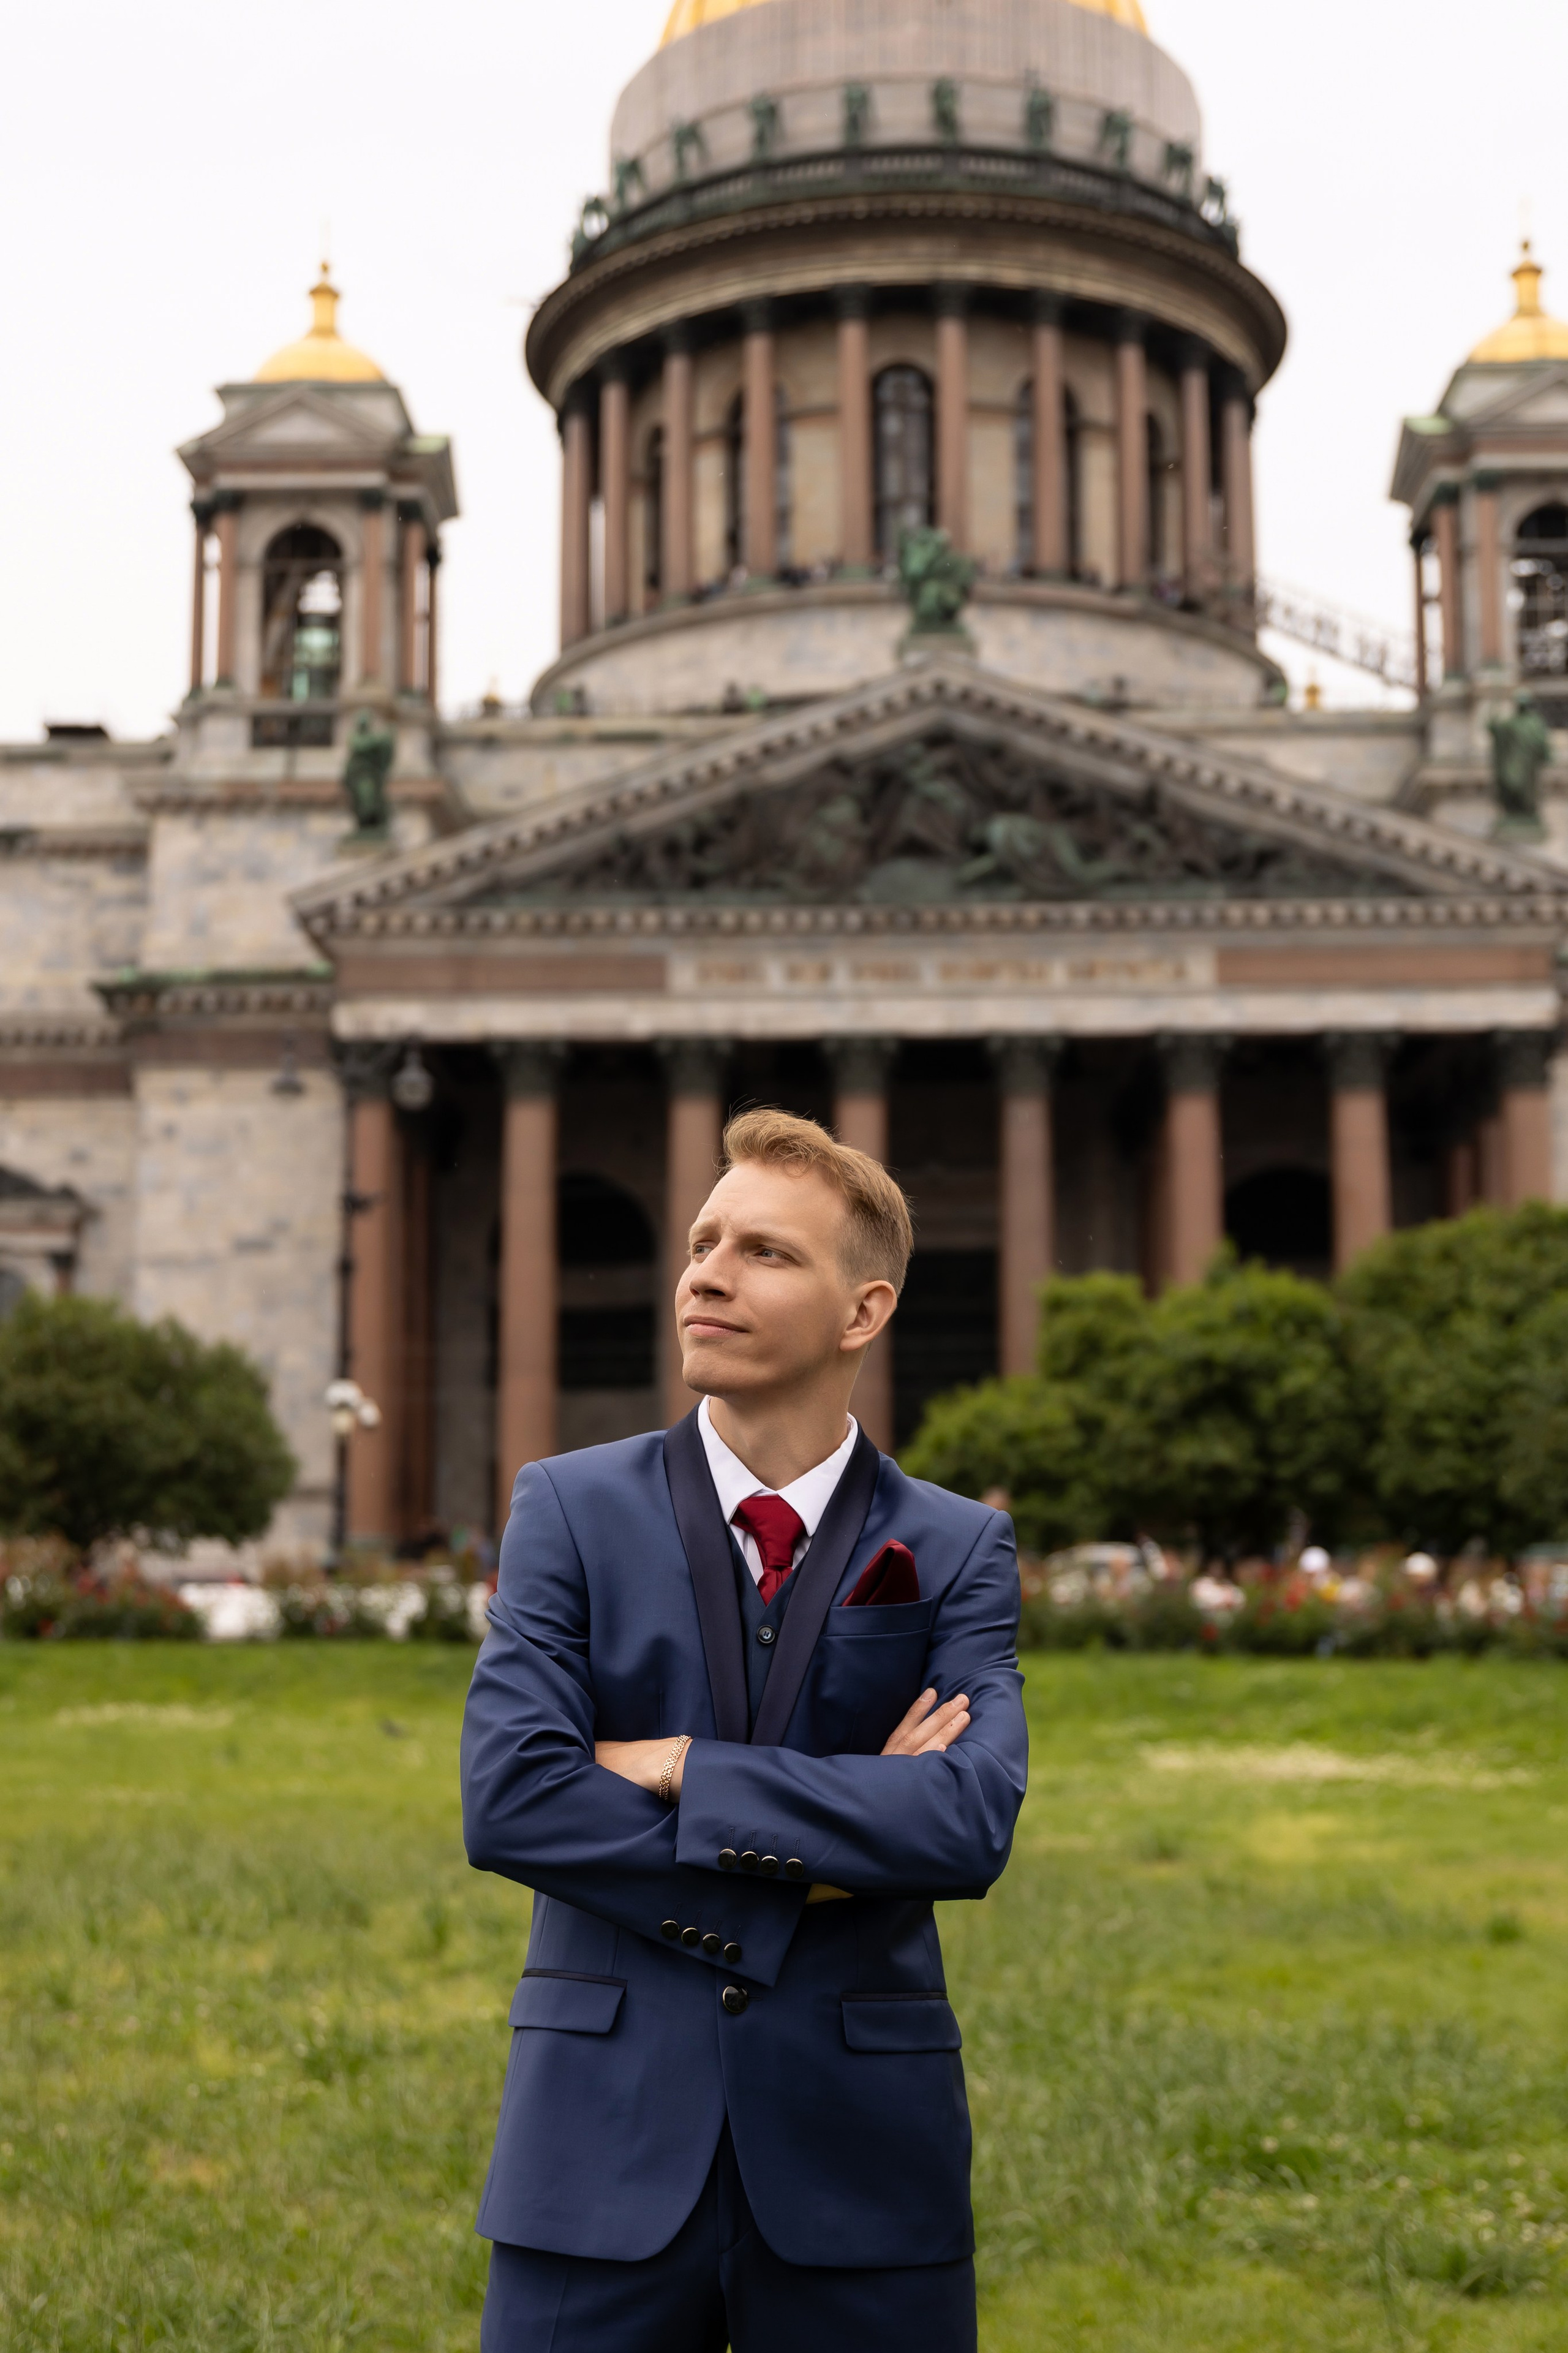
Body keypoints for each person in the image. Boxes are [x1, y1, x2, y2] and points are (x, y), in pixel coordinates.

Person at [461, 1107, 1028, 2352]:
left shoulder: (955, 1546)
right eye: (701, 1240)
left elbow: (966, 1820)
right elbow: (511, 1800)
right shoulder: (565, 1507)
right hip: (593, 2153)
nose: (706, 1271)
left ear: (862, 1312)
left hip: (861, 2168)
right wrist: (828, 1845)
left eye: (765, 1251)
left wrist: (677, 1768)